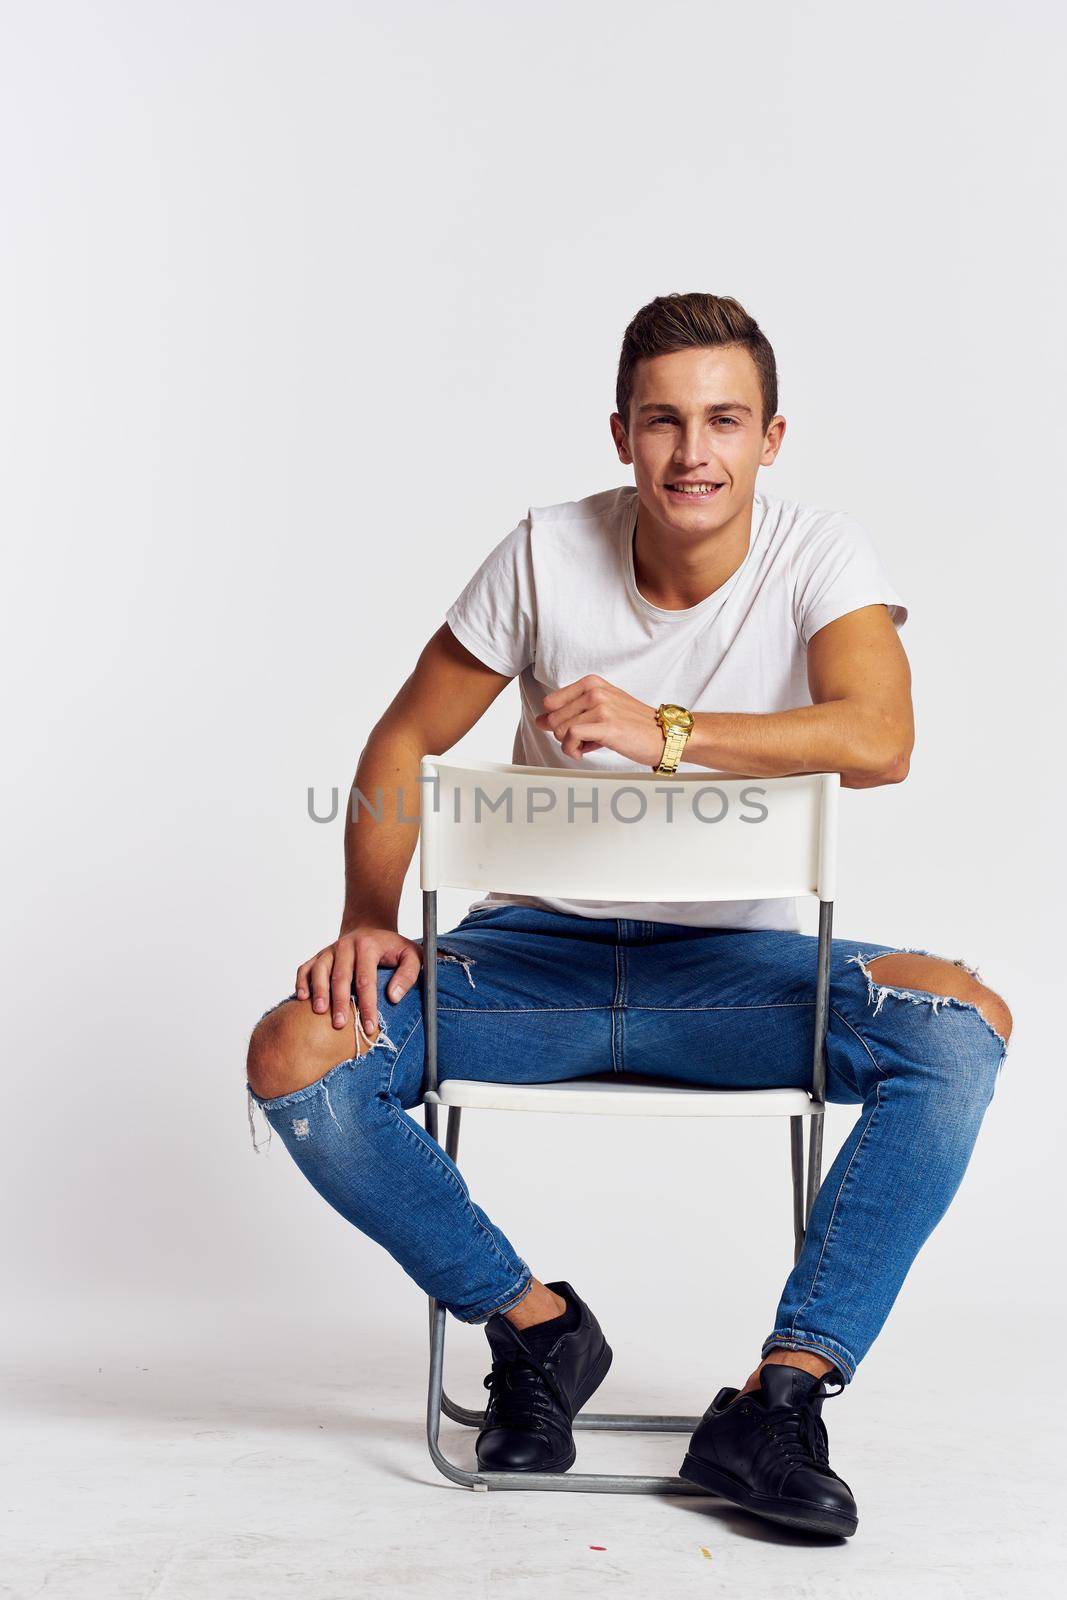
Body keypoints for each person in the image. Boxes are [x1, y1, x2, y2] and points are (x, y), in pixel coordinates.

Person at [245, 292, 1012, 1538]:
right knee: (299, 1053)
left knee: (960, 1027)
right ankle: (535, 1331)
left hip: (732, 977)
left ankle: (779, 1399)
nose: (691, 452)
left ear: (771, 439)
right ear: (619, 434)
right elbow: (400, 740)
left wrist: (659, 731)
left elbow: (879, 738)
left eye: (723, 420)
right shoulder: (546, 550)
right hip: (527, 965)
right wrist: (364, 913)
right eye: (662, 421)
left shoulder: (822, 556)